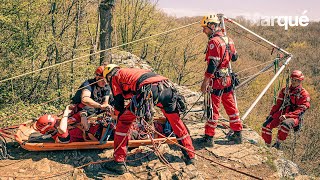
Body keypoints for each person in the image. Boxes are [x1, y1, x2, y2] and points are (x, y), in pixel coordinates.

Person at [102, 64, 195, 175]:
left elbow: (119, 101)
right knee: (176, 122)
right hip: (167, 87)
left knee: (123, 121)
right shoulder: (131, 71)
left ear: (108, 76)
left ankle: (119, 161)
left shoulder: (114, 77)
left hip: (149, 90)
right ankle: (190, 156)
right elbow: (131, 92)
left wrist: (116, 114)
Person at [200, 14, 242, 146]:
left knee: (213, 108)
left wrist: (205, 81)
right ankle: (237, 134)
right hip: (227, 79)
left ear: (212, 26)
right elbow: (234, 57)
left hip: (217, 81)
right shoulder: (228, 39)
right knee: (231, 106)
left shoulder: (214, 42)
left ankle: (209, 137)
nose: (203, 31)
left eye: (205, 28)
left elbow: (212, 64)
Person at [262, 70, 310, 149]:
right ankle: (266, 146)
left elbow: (301, 110)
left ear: (300, 81)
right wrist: (271, 114)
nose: (293, 82)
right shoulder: (285, 90)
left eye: (296, 80)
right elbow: (278, 104)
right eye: (292, 80)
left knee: (285, 124)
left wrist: (287, 116)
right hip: (283, 112)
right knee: (266, 125)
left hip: (295, 116)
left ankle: (278, 144)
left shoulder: (304, 94)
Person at [71, 66, 112, 130]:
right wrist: (100, 106)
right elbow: (85, 99)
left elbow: (106, 101)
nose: (105, 82)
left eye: (106, 80)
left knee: (113, 100)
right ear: (97, 77)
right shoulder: (88, 84)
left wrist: (107, 107)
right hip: (82, 108)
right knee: (89, 108)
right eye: (102, 80)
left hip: (96, 108)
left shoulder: (106, 86)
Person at [34, 105, 102, 143]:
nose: (59, 120)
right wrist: (66, 112)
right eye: (56, 122)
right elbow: (62, 130)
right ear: (50, 130)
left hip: (100, 125)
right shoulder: (59, 137)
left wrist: (83, 115)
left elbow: (80, 113)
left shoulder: (67, 120)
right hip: (99, 135)